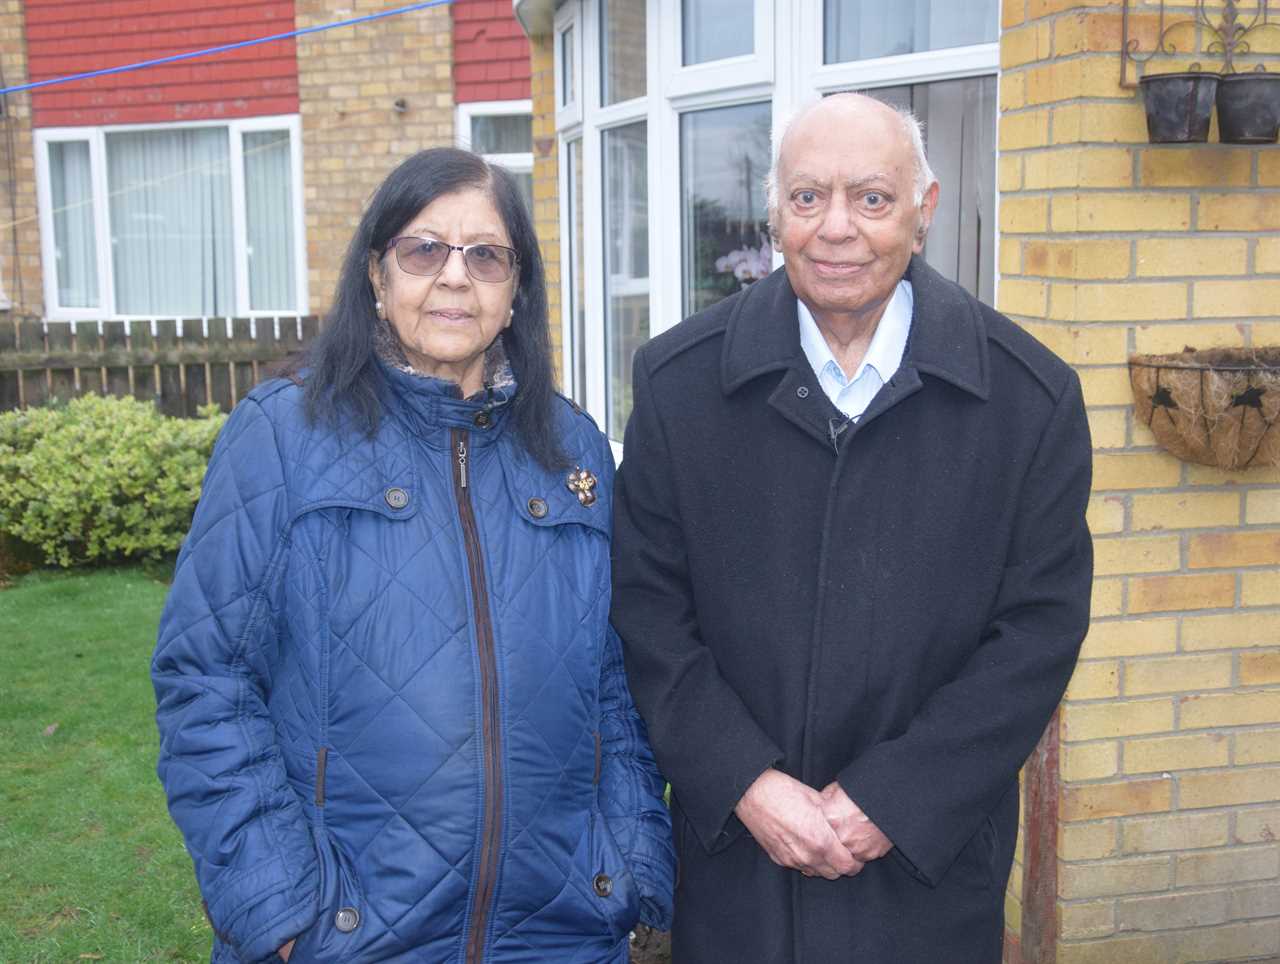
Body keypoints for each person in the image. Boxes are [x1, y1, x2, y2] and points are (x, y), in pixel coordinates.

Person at [153, 148, 674, 964]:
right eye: (423, 249)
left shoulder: (571, 451)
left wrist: (633, 865)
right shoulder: (285, 436)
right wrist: (282, 910)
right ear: (376, 273)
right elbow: (206, 680)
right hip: (345, 936)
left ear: (517, 290)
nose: (455, 278)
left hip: (560, 935)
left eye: (486, 255)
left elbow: (614, 680)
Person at [611, 93, 1092, 963]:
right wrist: (746, 782)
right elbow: (647, 611)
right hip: (739, 874)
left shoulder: (1031, 401)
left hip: (927, 872)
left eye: (871, 198)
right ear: (774, 212)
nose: (836, 228)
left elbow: (1039, 633)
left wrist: (894, 799)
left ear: (924, 210)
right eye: (807, 198)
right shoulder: (678, 387)